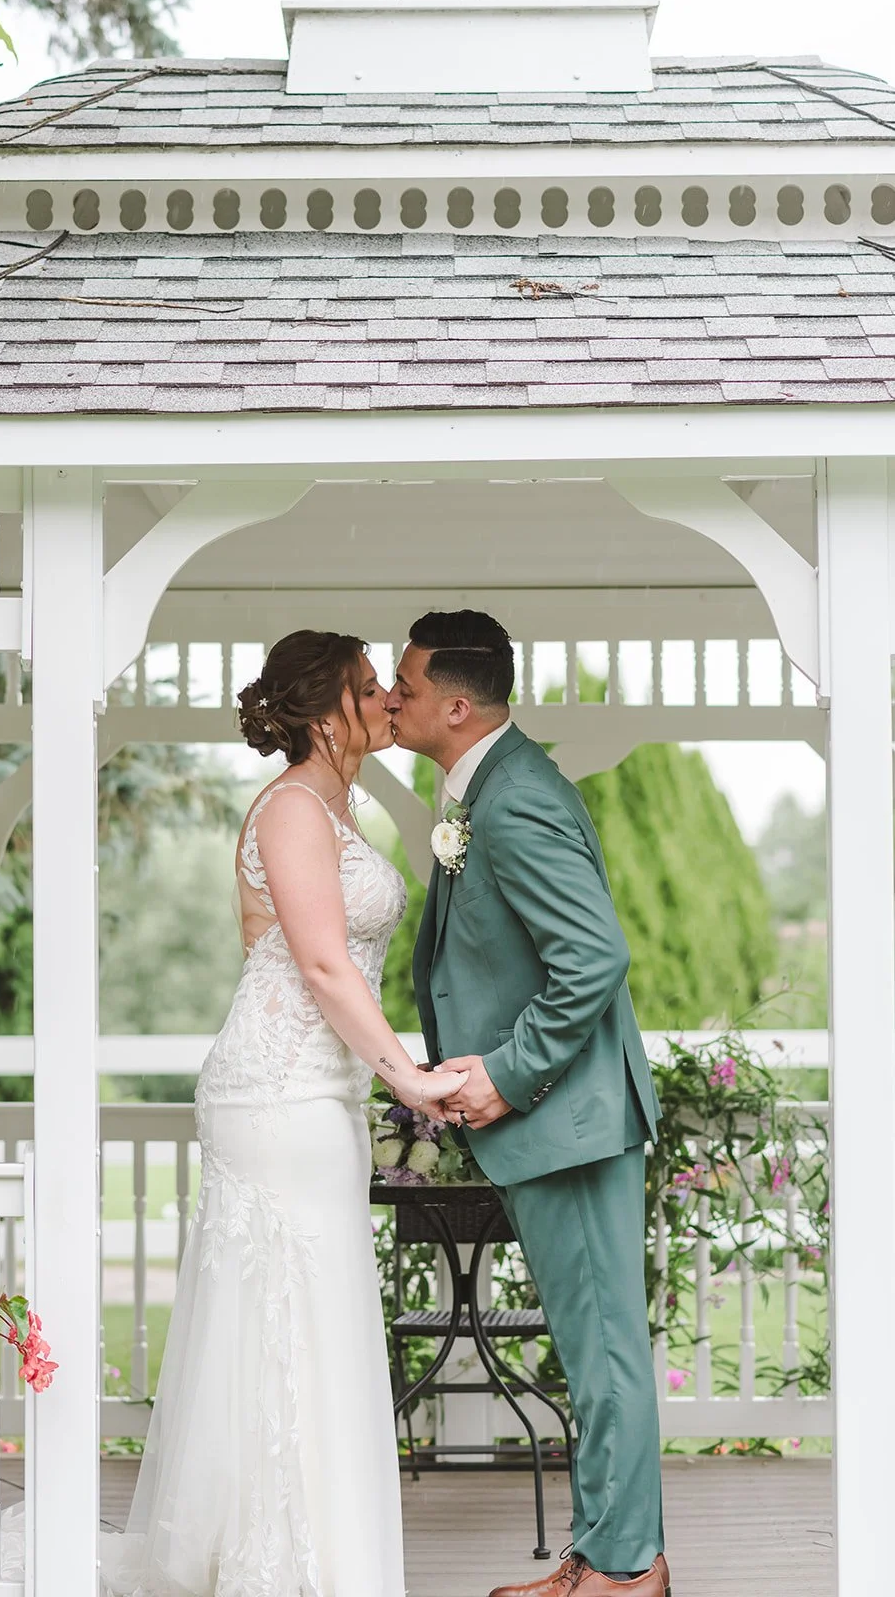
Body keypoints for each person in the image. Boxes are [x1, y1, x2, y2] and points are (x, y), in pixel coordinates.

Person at [98, 628, 468, 1597]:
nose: (391, 696)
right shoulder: (295, 807)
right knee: (288, 1319)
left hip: (317, 1092)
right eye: (369, 685)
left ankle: (308, 1554)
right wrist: (410, 1078)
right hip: (277, 1092)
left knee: (310, 1319)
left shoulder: (336, 813)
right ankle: (286, 1565)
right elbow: (318, 964)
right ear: (325, 711)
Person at [386, 610, 670, 1597]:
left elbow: (594, 956)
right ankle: (600, 1554)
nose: (391, 696)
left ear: (456, 706)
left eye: (407, 685)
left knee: (604, 1352)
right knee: (590, 1349)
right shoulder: (492, 785)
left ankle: (630, 1569)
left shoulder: (511, 800)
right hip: (562, 1120)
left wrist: (505, 1073)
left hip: (568, 1117)